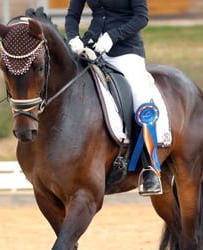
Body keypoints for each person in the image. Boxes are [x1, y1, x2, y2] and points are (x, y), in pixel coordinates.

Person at [65, 0, 166, 195]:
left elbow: (141, 17)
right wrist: (73, 37)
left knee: (141, 102)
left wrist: (113, 36)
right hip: (92, 49)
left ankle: (150, 168)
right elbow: (72, 16)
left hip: (126, 51)